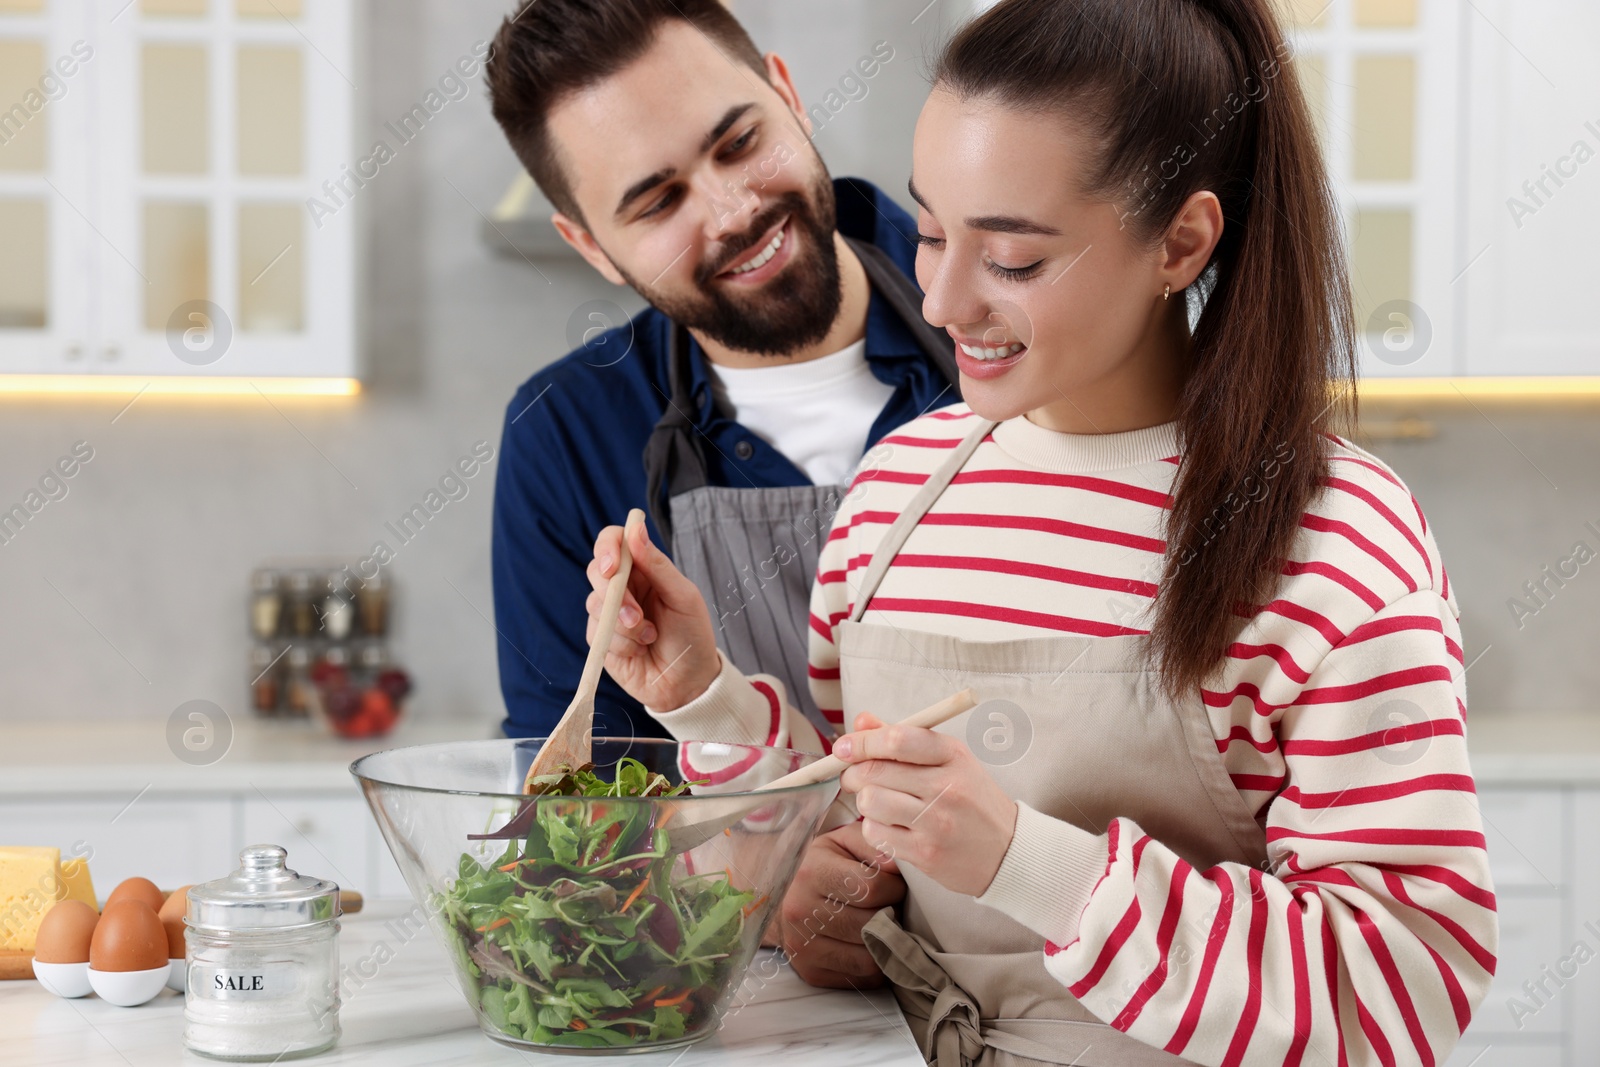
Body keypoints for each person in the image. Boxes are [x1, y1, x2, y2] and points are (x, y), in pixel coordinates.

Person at [579, 0, 1499, 1061]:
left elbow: (1401, 983)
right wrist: (706, 692)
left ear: (1181, 241)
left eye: (1011, 257)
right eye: (928, 231)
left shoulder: (1333, 537)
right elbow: (852, 810)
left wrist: (1028, 862)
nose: (940, 296)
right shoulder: (894, 495)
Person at [483, 0, 958, 750]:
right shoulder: (564, 436)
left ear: (788, 96)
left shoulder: (1011, 322)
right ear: (593, 248)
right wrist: (750, 852)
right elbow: (574, 816)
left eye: (739, 143)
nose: (733, 211)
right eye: (659, 201)